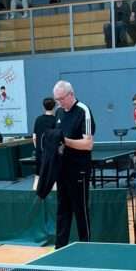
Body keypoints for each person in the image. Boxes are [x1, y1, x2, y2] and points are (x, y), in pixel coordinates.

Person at [52, 80, 95, 248]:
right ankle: (60, 247)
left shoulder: (83, 111)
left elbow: (88, 144)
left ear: (71, 94)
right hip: (62, 169)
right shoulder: (58, 112)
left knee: (80, 210)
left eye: (61, 99)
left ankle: (86, 246)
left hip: (79, 170)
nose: (59, 103)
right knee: (62, 210)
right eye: (56, 99)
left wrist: (65, 141)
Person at [31, 96, 57, 189]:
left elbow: (34, 137)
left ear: (43, 106)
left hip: (40, 153)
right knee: (53, 177)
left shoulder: (38, 119)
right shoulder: (56, 120)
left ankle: (34, 193)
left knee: (38, 176)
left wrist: (38, 149)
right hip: (52, 154)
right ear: (54, 107)